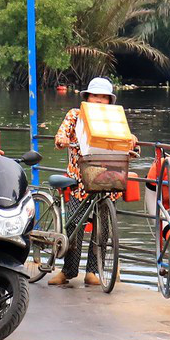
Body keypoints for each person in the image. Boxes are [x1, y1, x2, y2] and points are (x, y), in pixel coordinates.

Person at [49, 76, 118, 287]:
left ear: (109, 101)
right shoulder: (75, 115)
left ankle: (93, 271)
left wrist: (132, 141)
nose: (99, 100)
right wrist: (62, 139)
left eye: (103, 97)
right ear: (87, 97)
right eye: (95, 95)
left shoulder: (114, 118)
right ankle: (68, 271)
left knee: (102, 228)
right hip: (79, 179)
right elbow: (61, 135)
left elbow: (125, 138)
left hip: (105, 178)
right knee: (74, 226)